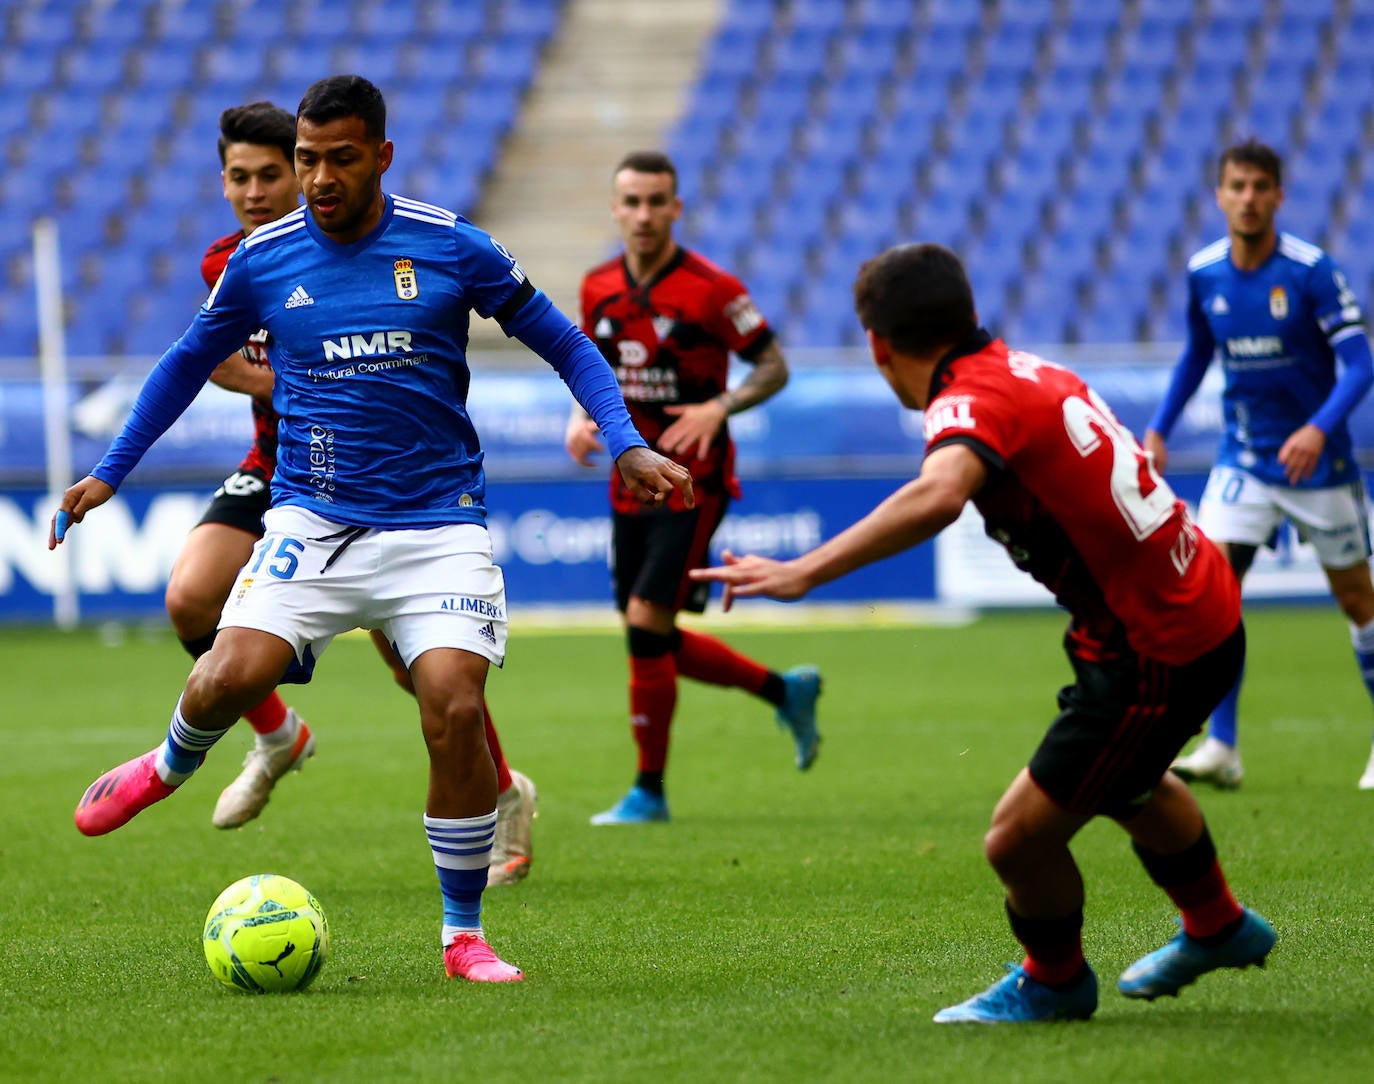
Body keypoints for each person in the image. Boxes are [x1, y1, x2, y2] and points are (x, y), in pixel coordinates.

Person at [51, 76, 692, 983]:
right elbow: (186, 361)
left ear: (381, 156)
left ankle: (462, 936)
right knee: (227, 672)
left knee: (454, 709)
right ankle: (167, 762)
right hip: (312, 517)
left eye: (339, 159)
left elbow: (567, 343)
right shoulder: (264, 259)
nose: (318, 177)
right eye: (307, 159)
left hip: (439, 525)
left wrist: (623, 441)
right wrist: (110, 470)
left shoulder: (450, 246)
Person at [693, 243, 1275, 1023]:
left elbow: (939, 495)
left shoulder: (970, 400)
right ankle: (1219, 925)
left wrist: (805, 571)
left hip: (1155, 647)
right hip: (1190, 606)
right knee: (1130, 781)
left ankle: (1056, 982)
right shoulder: (1022, 368)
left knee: (1016, 843)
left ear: (878, 345)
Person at [167, 101, 536, 887]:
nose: (259, 191)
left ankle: (502, 792)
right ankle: (277, 737)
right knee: (193, 602)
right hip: (280, 464)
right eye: (243, 177)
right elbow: (211, 357)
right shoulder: (234, 262)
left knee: (422, 669)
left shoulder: (369, 247)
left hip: (376, 478)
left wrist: (322, 368)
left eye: (273, 174)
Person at [565, 150, 821, 826]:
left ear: (676, 208)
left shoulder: (712, 288)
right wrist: (579, 416)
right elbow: (588, 364)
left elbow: (774, 365)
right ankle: (784, 691)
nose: (644, 214)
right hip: (629, 478)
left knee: (647, 623)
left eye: (657, 202)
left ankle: (649, 791)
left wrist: (719, 407)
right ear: (615, 207)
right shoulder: (597, 286)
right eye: (633, 201)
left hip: (691, 481)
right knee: (650, 634)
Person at [1145, 139, 1374, 791]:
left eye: (1259, 187)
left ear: (1278, 195)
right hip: (1243, 456)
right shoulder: (1204, 272)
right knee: (1213, 592)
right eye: (1236, 186)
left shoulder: (1312, 271)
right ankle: (1222, 745)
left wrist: (1316, 428)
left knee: (1357, 601)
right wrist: (1159, 426)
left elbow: (1361, 364)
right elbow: (1195, 354)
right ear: (1219, 195)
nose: (1248, 198)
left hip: (1317, 464)